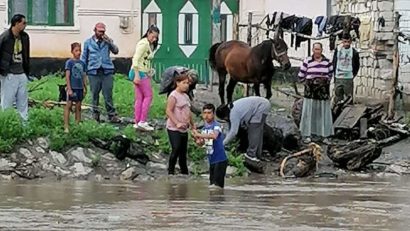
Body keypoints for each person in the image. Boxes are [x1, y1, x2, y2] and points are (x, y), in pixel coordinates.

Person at [81, 22, 120, 123]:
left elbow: (116, 51)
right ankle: (95, 114)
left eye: (103, 31)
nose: (101, 33)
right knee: (94, 94)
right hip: (93, 71)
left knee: (108, 94)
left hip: (107, 71)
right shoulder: (88, 42)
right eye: (99, 31)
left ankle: (111, 115)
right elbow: (84, 57)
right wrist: (83, 71)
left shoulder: (107, 41)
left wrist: (109, 42)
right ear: (95, 30)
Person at [216, 96, 271, 162]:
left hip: (261, 106)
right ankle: (258, 154)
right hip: (261, 104)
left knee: (254, 130)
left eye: (223, 119)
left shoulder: (233, 114)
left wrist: (222, 144)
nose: (225, 120)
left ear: (224, 116)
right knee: (258, 131)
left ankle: (251, 154)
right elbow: (229, 130)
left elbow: (233, 132)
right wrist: (225, 142)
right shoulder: (230, 110)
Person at [298, 42, 334, 143]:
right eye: (315, 49)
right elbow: (301, 75)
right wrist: (309, 83)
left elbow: (330, 74)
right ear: (312, 50)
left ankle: (324, 136)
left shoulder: (327, 62)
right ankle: (308, 135)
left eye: (319, 49)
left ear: (322, 50)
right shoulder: (307, 61)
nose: (317, 51)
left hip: (323, 92)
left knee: (323, 113)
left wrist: (322, 83)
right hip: (310, 92)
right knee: (309, 112)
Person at [0, 14, 30, 121]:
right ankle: (5, 123)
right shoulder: (5, 37)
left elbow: (26, 54)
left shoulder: (25, 37)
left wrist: (27, 71)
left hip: (21, 72)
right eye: (24, 23)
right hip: (9, 73)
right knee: (6, 102)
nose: (25, 25)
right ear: (17, 24)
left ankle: (24, 126)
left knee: (23, 102)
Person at [129, 25, 160, 131]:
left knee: (140, 97)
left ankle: (137, 121)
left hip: (140, 71)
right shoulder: (144, 44)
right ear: (148, 33)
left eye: (156, 37)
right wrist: (137, 74)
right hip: (139, 72)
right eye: (153, 36)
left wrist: (149, 71)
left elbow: (144, 60)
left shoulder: (146, 43)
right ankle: (142, 121)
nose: (154, 39)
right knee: (148, 96)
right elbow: (135, 59)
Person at [166, 73, 196, 175]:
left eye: (187, 83)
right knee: (176, 149)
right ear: (177, 83)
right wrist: (177, 123)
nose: (186, 85)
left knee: (183, 153)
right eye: (184, 83)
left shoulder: (186, 96)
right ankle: (170, 171)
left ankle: (184, 173)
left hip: (184, 128)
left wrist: (193, 125)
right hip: (173, 128)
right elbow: (168, 111)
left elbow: (188, 111)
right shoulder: (173, 96)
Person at [192, 104, 228, 188]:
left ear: (213, 114)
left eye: (209, 113)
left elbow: (214, 136)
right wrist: (197, 139)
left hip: (220, 160)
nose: (206, 115)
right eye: (204, 113)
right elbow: (202, 143)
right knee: (212, 185)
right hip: (211, 160)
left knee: (217, 186)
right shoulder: (204, 129)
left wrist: (199, 134)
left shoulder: (217, 126)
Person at [63, 42, 87, 133]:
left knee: (78, 107)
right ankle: (66, 126)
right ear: (72, 51)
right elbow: (67, 76)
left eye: (80, 50)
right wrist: (69, 88)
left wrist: (85, 87)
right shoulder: (69, 62)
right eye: (76, 50)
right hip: (72, 87)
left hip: (80, 87)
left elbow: (84, 75)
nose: (78, 53)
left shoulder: (82, 63)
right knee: (68, 106)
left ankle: (77, 124)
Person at [332, 33, 360, 105]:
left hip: (348, 77)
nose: (346, 44)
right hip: (338, 77)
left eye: (348, 42)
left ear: (350, 41)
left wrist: (353, 74)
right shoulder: (338, 50)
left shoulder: (354, 52)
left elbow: (357, 65)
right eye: (345, 42)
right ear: (342, 41)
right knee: (338, 97)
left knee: (348, 98)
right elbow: (334, 62)